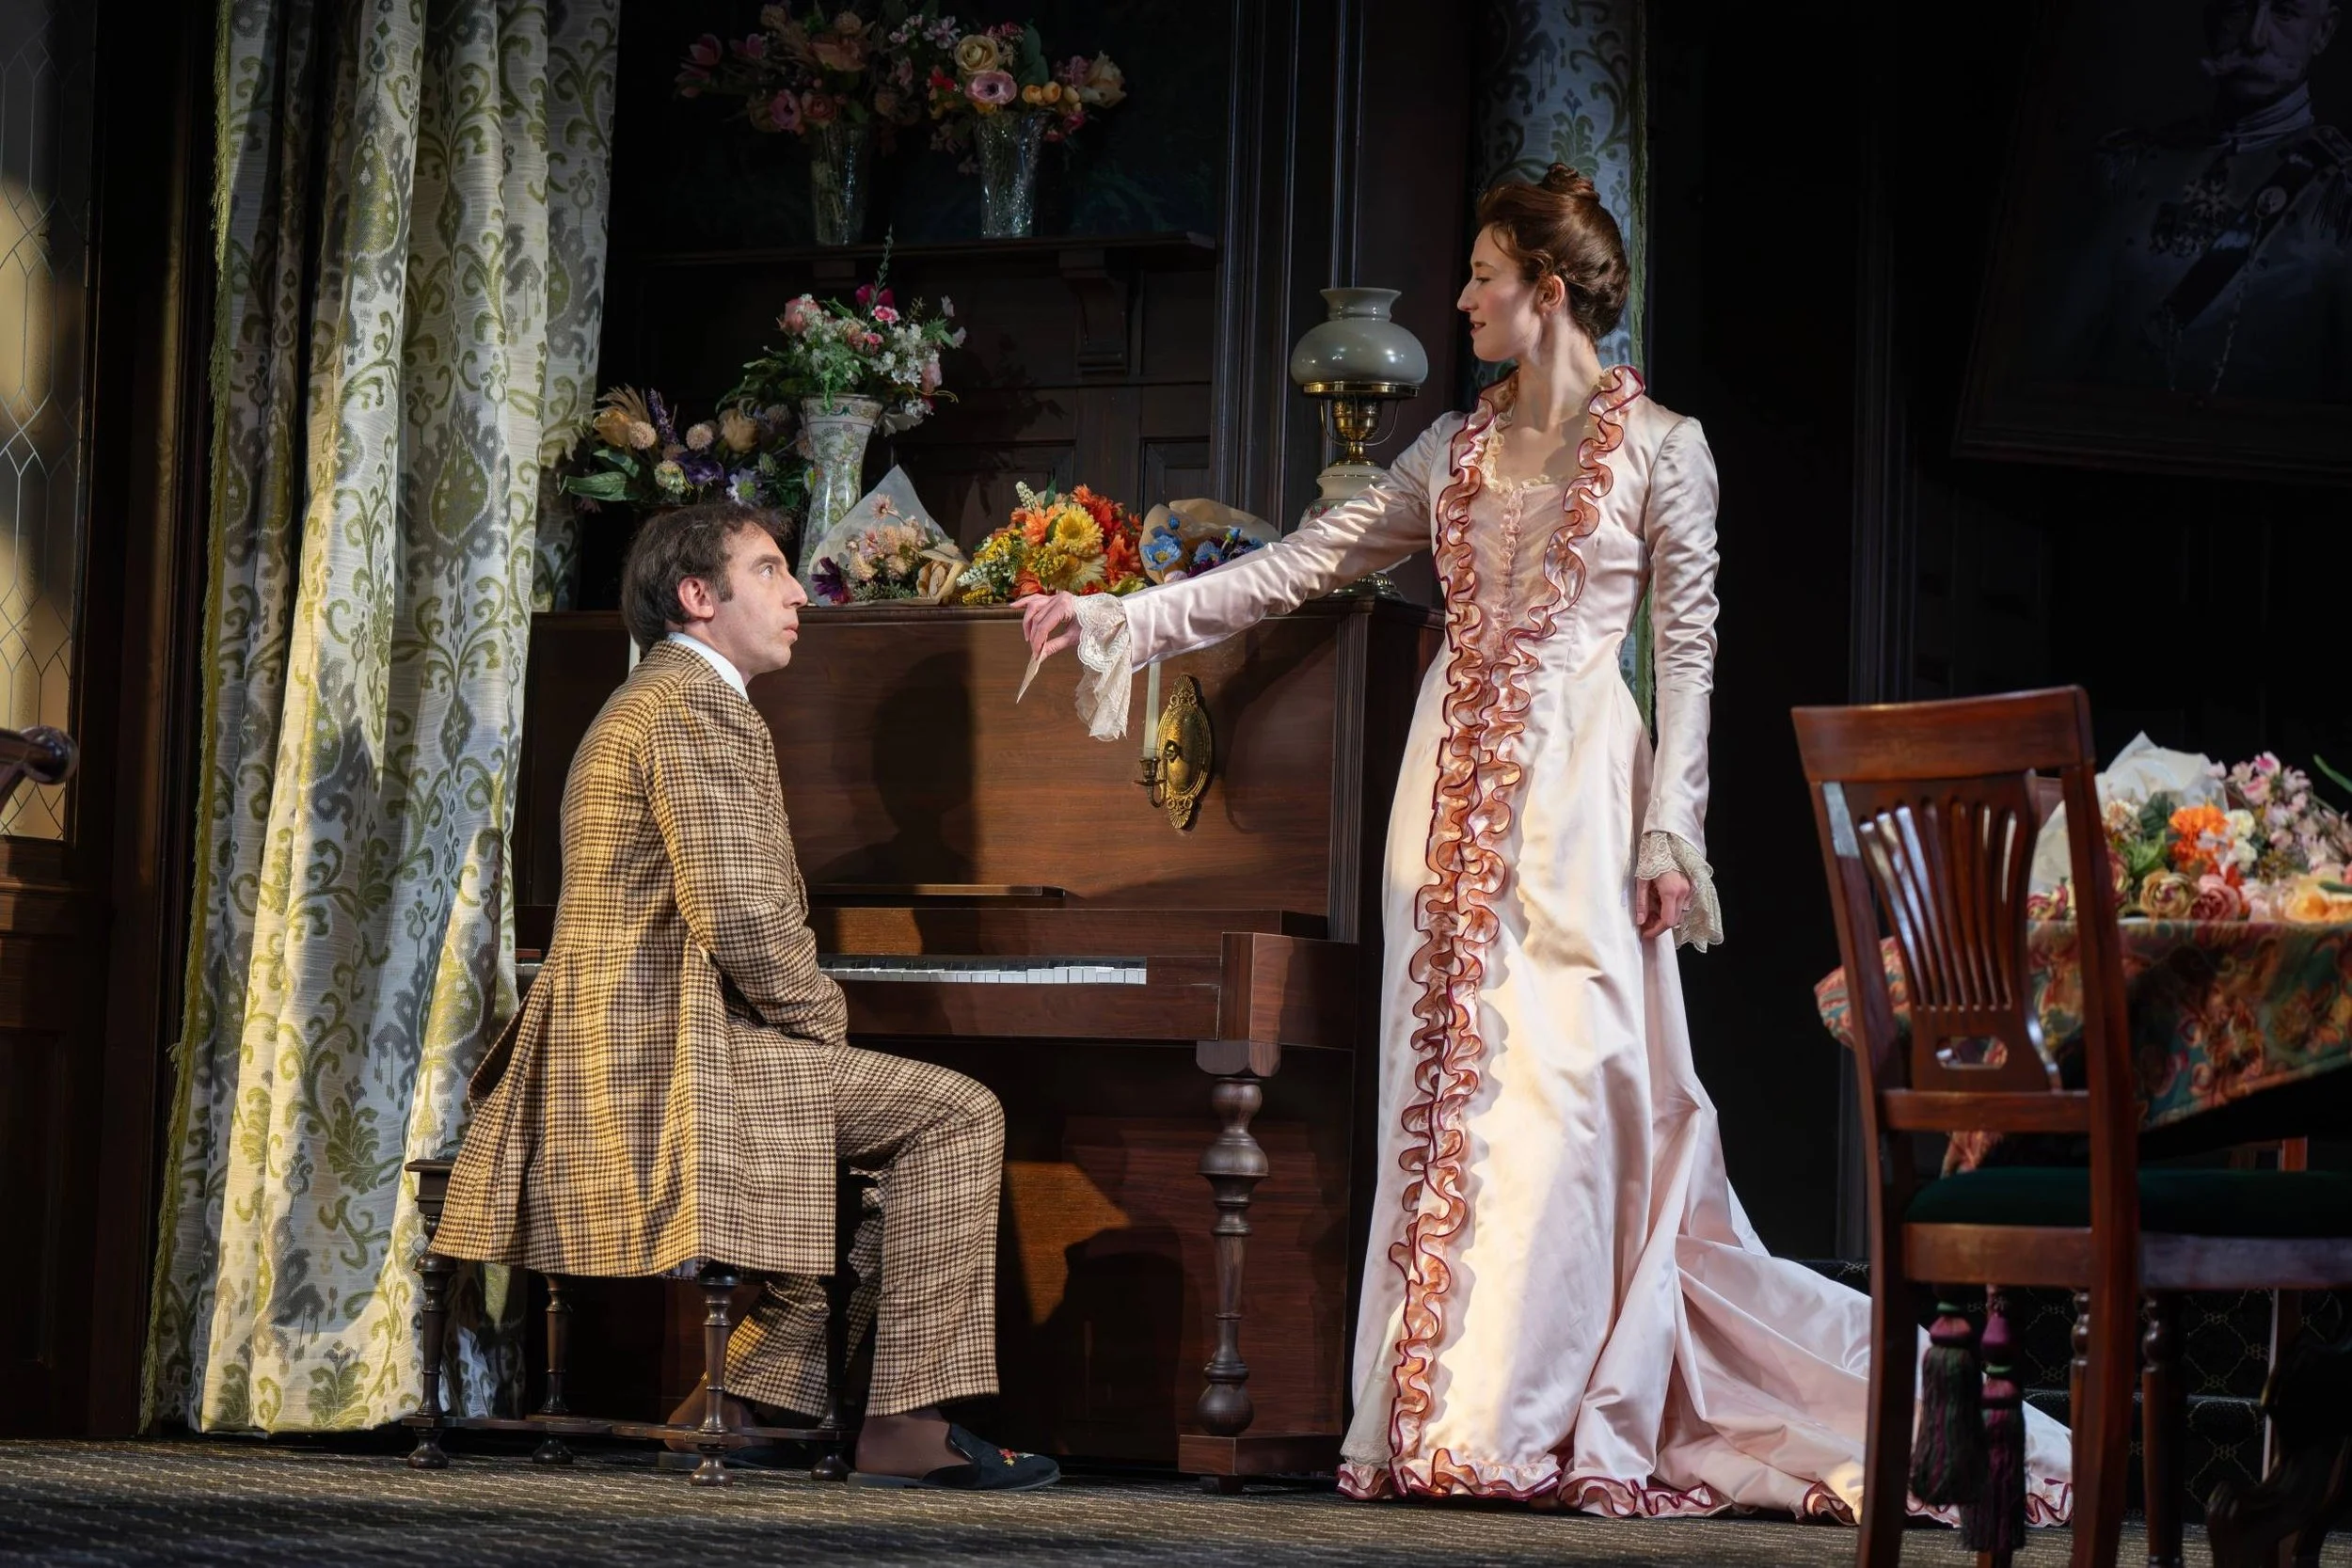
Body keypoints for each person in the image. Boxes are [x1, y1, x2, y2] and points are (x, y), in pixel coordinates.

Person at [1021, 167, 2074, 1519]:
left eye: (1480, 277)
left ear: (1549, 290)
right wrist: (1125, 621)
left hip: (1579, 790)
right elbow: (1308, 558)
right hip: (1445, 791)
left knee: (1565, 1096)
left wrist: (1669, 827)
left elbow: (1688, 655)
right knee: (1450, 1092)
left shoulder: (1661, 447)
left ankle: (1529, 1406)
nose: (1459, 299)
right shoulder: (1451, 450)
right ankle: (1449, 1414)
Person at [435, 502, 1057, 1491]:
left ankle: (743, 1397)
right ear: (698, 595)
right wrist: (822, 1022)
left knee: (871, 1125)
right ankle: (903, 1422)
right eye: (768, 570)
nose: (798, 593)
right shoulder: (694, 704)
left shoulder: (654, 697)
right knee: (956, 1114)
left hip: (639, 1045)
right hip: (669, 1063)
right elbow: (742, 918)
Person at [2042, 0, 2351, 399]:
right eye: (2236, 9)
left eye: (2285, 13)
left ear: (2324, 31)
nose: (2255, 39)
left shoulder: (2341, 190)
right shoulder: (2129, 165)